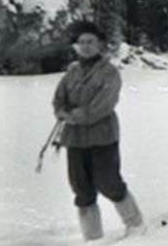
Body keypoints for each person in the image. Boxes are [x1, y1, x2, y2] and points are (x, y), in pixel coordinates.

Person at [52, 21, 145, 241]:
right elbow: (59, 99)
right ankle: (92, 236)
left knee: (108, 181)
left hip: (102, 136)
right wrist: (61, 111)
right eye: (81, 42)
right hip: (74, 139)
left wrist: (73, 116)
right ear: (75, 46)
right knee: (81, 188)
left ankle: (135, 223)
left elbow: (103, 105)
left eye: (90, 41)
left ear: (100, 44)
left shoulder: (109, 72)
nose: (85, 46)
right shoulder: (72, 72)